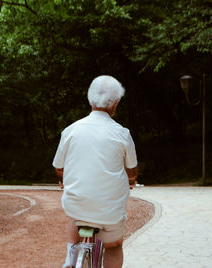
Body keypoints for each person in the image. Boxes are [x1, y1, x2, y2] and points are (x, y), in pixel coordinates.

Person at [52, 75, 138, 268]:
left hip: (77, 204)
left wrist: (64, 178)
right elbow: (131, 170)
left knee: (77, 215)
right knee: (114, 246)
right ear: (115, 103)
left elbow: (59, 168)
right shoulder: (122, 133)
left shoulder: (71, 130)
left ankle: (70, 255)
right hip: (110, 212)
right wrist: (131, 180)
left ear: (90, 100)